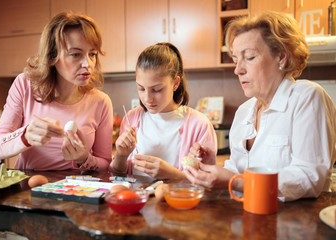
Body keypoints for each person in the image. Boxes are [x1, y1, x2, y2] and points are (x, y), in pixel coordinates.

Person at [183, 11, 336, 201]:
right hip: (248, 218)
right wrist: (211, 167)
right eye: (236, 59)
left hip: (295, 225)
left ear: (281, 57)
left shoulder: (307, 98)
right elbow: (237, 172)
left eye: (249, 57)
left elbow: (309, 177)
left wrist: (234, 180)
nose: (238, 70)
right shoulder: (244, 111)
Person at [0, 12, 113, 171]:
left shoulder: (101, 102)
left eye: (92, 54)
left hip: (75, 189)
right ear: (52, 57)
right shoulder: (25, 85)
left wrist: (84, 159)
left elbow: (106, 164)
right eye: (76, 54)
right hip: (28, 188)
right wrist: (26, 136)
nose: (87, 63)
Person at [110, 42, 217, 179]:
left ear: (176, 83)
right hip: (137, 199)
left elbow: (208, 181)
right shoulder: (131, 118)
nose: (147, 99)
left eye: (156, 90)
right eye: (141, 88)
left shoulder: (199, 124)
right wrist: (121, 155)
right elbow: (117, 174)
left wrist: (171, 174)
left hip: (176, 200)